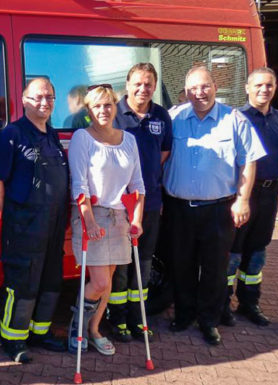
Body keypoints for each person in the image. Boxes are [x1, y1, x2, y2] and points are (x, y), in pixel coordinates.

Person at [163, 66, 264, 346]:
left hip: (218, 209)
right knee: (181, 265)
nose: (199, 93)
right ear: (185, 92)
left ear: (215, 86)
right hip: (179, 208)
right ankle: (184, 314)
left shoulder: (235, 120)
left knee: (215, 268)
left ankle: (209, 320)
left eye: (205, 86)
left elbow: (249, 161)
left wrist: (243, 199)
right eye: (193, 88)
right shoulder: (174, 118)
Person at [0, 78, 69, 363]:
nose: (44, 102)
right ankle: (14, 339)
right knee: (23, 283)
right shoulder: (12, 135)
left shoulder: (52, 135)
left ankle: (40, 333)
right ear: (23, 100)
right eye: (38, 97)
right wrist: (12, 214)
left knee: (50, 280)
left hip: (54, 225)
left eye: (49, 97)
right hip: (24, 226)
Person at [67, 84, 145, 356]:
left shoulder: (129, 140)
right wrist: (89, 221)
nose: (103, 110)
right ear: (89, 110)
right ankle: (78, 327)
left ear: (115, 106)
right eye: (96, 106)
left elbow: (137, 185)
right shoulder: (82, 138)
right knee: (99, 282)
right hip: (93, 214)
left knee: (109, 279)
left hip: (119, 217)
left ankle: (95, 329)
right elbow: (79, 185)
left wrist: (137, 219)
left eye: (108, 104)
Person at [107, 63, 172, 342]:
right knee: (120, 263)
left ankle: (138, 318)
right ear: (127, 84)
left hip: (151, 202)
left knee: (143, 262)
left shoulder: (162, 116)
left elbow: (164, 152)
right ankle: (118, 319)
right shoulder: (113, 114)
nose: (143, 88)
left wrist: (143, 182)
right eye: (137, 83)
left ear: (154, 86)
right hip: (119, 204)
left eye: (148, 84)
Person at [222, 67, 278, 327]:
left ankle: (249, 303)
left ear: (275, 87)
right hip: (243, 192)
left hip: (270, 193)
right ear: (247, 88)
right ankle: (223, 304)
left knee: (257, 251)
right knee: (233, 251)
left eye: (269, 85)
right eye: (258, 85)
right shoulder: (236, 118)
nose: (264, 90)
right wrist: (242, 197)